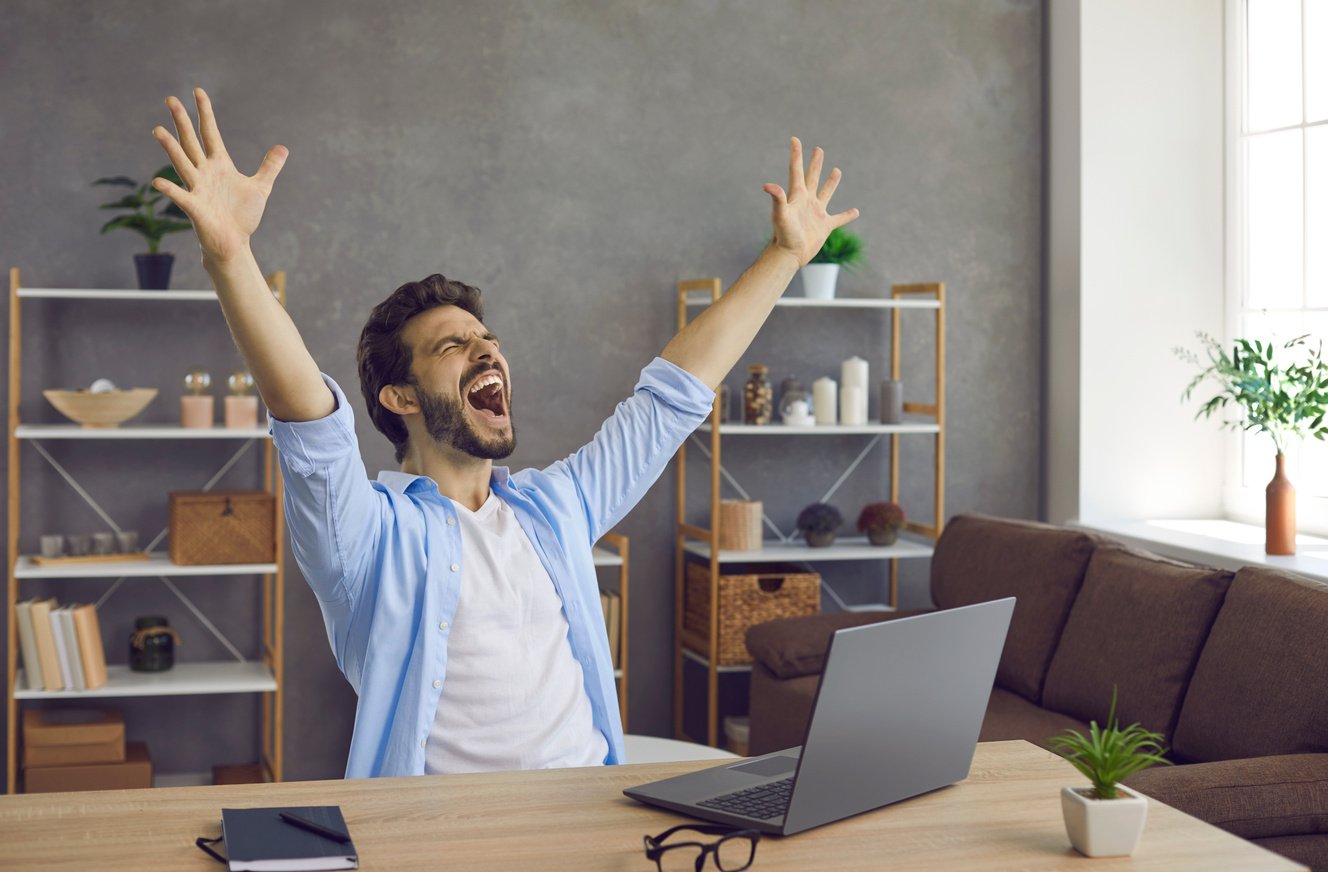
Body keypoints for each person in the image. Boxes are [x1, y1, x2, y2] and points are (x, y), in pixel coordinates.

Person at [150, 87, 860, 779]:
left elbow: (671, 398)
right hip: (452, 842)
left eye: (488, 340)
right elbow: (311, 428)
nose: (487, 351)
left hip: (589, 818)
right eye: (452, 347)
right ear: (400, 396)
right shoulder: (366, 538)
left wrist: (786, 257)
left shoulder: (556, 509)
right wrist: (231, 257)